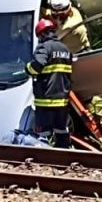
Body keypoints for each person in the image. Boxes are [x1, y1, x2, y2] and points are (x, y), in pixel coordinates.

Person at [26, 19, 75, 148]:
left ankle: (44, 159)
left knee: (43, 134)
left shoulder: (44, 47)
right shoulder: (65, 49)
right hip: (62, 100)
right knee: (61, 130)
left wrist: (27, 68)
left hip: (46, 100)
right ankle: (63, 156)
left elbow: (36, 66)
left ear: (42, 34)